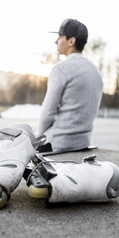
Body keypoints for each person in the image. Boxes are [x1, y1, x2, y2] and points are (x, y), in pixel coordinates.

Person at [37, 19, 103, 152]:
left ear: (71, 41)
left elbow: (47, 113)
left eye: (60, 37)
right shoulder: (95, 71)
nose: (56, 41)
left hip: (59, 143)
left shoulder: (61, 69)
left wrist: (36, 140)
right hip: (84, 143)